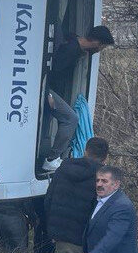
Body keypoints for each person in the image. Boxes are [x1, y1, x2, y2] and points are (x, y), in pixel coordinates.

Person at [44, 136, 108, 253]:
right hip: (85, 241)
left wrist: (52, 230)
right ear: (105, 157)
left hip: (61, 236)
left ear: (85, 151)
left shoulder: (64, 167)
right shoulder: (102, 179)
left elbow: (48, 199)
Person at [41, 25, 113, 173]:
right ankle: (52, 159)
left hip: (51, 90)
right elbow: (48, 70)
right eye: (102, 47)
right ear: (97, 43)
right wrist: (47, 93)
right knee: (71, 118)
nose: (99, 50)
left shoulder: (73, 40)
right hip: (47, 90)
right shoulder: (70, 51)